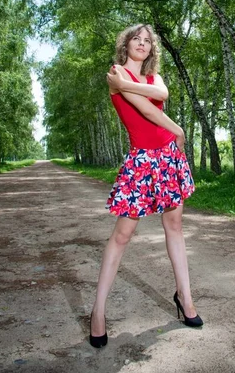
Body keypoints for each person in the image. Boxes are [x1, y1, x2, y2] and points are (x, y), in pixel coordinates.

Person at [89, 24, 203, 348]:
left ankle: (186, 297)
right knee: (123, 234)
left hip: (168, 157)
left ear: (152, 49)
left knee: (175, 226)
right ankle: (98, 311)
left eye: (147, 41)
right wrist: (178, 128)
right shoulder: (115, 74)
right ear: (124, 44)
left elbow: (162, 95)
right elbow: (145, 108)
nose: (142, 43)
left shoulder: (154, 78)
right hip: (142, 161)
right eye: (136, 39)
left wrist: (174, 132)